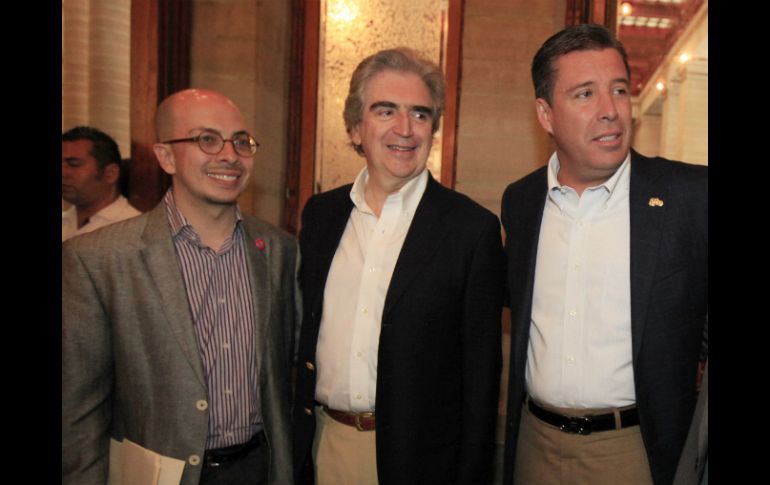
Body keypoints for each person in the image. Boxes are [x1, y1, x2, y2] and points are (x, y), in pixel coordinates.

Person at [500, 24, 708, 485]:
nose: (610, 111)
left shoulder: (690, 196)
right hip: (535, 444)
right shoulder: (521, 201)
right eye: (584, 94)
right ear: (546, 114)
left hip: (636, 451)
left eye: (618, 89)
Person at [62, 89, 299, 485]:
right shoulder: (96, 259)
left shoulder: (280, 249)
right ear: (165, 156)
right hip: (159, 474)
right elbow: (78, 412)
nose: (229, 155)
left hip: (260, 468)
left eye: (242, 142)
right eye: (207, 139)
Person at [292, 47, 504, 484]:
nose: (404, 129)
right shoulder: (321, 216)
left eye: (420, 115)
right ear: (355, 127)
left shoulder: (471, 230)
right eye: (385, 111)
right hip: (323, 446)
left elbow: (481, 384)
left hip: (422, 460)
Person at [62, 126, 141, 241]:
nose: (63, 172)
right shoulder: (64, 221)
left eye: (73, 164)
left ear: (110, 174)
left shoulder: (134, 230)